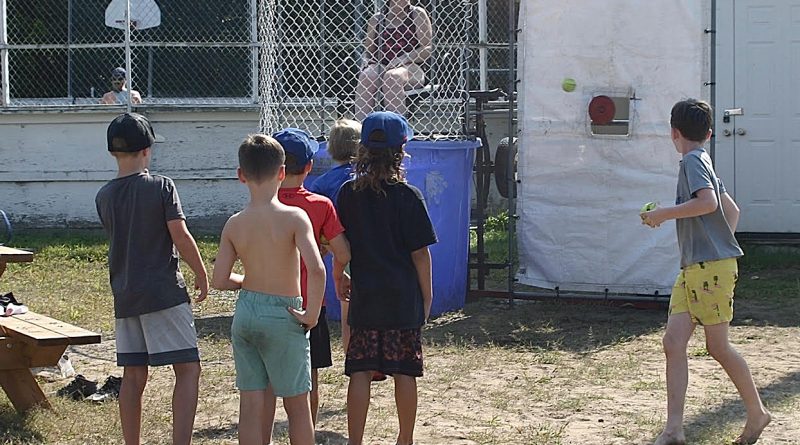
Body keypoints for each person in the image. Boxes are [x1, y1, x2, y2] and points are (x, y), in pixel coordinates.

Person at [641, 99, 771, 445]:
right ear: (710, 133)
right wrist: (717, 242)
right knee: (673, 342)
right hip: (696, 269)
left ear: (673, 133)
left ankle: (757, 412)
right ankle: (673, 430)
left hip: (709, 270)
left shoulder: (692, 162)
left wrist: (664, 214)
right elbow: (733, 211)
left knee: (719, 347)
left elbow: (709, 203)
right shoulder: (705, 160)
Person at [95, 112, 207, 445]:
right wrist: (200, 272)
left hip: (125, 294)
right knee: (188, 368)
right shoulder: (160, 186)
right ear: (147, 149)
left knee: (133, 373)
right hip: (163, 292)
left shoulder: (104, 195)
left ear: (112, 151)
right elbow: (180, 234)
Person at [212, 134, 324, 445]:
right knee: (298, 406)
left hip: (246, 314)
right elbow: (316, 269)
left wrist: (247, 283)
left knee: (250, 405)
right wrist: (311, 313)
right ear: (282, 173)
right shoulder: (294, 217)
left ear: (241, 175)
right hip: (284, 313)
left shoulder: (234, 224)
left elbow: (219, 279)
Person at [337, 111, 436, 445]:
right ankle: (405, 438)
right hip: (401, 297)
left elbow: (342, 244)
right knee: (405, 371)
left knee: (361, 370)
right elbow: (420, 253)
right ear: (402, 149)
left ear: (362, 148)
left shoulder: (348, 193)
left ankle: (355, 441)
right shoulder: (408, 196)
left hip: (366, 296)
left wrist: (342, 275)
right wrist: (427, 296)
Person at [257, 128, 351, 440]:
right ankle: (306, 433)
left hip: (264, 301)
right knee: (306, 380)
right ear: (309, 167)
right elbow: (343, 252)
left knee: (267, 382)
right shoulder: (321, 205)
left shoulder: (260, 204)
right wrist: (335, 265)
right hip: (309, 304)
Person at [309, 119, 360, 352]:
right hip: (369, 246)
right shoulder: (367, 176)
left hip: (340, 247)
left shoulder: (322, 183)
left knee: (348, 308)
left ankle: (352, 357)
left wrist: (323, 245)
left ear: (330, 148)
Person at [354, 0, 432, 120]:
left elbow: (428, 48)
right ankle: (362, 127)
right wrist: (367, 60)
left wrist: (404, 58)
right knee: (366, 76)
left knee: (392, 77)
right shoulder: (377, 19)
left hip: (411, 66)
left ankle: (396, 129)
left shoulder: (416, 14)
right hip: (383, 64)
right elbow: (369, 51)